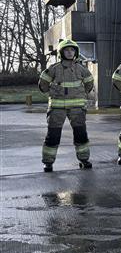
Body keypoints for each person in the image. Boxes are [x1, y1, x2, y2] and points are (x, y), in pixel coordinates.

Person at [38, 39, 94, 172]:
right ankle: (48, 162)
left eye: (72, 50)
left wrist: (81, 95)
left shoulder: (81, 69)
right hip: (57, 108)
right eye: (67, 50)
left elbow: (89, 83)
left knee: (81, 134)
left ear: (76, 52)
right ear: (62, 52)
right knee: (53, 136)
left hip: (77, 108)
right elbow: (43, 84)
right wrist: (51, 93)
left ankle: (84, 159)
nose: (70, 52)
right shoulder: (53, 69)